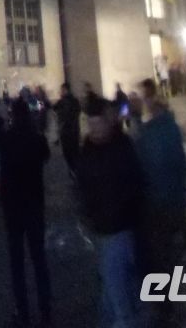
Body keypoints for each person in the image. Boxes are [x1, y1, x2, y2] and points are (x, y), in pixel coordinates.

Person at [74, 96, 143, 328]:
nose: (94, 130)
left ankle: (124, 320)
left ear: (106, 121)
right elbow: (81, 185)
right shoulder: (89, 149)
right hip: (101, 227)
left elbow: (135, 184)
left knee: (117, 283)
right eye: (90, 125)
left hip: (119, 224)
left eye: (97, 124)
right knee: (111, 280)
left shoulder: (121, 146)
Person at [0, 97, 52, 328]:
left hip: (13, 205)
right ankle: (46, 313)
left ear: (12, 114)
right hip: (34, 203)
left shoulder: (7, 138)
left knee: (17, 262)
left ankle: (23, 312)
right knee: (39, 260)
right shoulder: (36, 138)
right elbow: (45, 156)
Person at [134, 79, 186, 284]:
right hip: (174, 196)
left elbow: (142, 164)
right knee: (178, 244)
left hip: (156, 197)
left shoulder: (148, 133)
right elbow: (182, 165)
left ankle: (164, 290)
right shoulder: (173, 129)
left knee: (161, 246)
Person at [54, 83, 82, 174]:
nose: (60, 92)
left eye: (61, 90)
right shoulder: (75, 100)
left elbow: (55, 109)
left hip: (66, 131)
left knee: (68, 153)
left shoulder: (63, 101)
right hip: (75, 130)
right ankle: (77, 171)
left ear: (65, 90)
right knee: (75, 152)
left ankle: (74, 171)